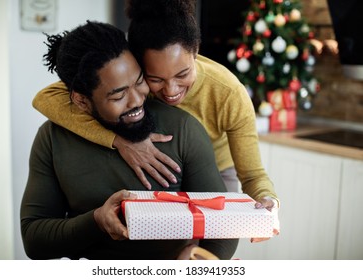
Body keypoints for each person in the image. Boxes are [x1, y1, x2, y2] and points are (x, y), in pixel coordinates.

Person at [32, 0, 279, 211]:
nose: (171, 91)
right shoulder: (133, 81)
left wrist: (268, 202)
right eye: (155, 79)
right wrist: (119, 141)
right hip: (159, 172)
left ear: (196, 52)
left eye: (182, 74)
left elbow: (253, 174)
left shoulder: (228, 93)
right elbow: (45, 98)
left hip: (216, 171)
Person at [20, 20, 238, 260]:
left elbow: (223, 225)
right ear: (82, 101)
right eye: (119, 95)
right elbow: (34, 240)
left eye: (139, 81)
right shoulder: (52, 138)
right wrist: (96, 221)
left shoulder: (183, 128)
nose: (137, 101)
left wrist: (198, 262)